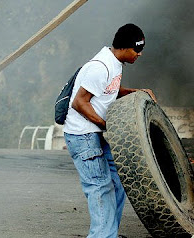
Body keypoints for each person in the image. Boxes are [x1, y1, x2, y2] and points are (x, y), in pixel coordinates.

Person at [63, 23, 155, 238]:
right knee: (100, 187)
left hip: (97, 133)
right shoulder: (100, 66)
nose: (139, 55)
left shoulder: (115, 63)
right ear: (124, 48)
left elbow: (107, 90)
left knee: (117, 182)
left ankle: (109, 232)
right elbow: (80, 103)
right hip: (84, 136)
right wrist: (108, 127)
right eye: (137, 50)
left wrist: (134, 91)